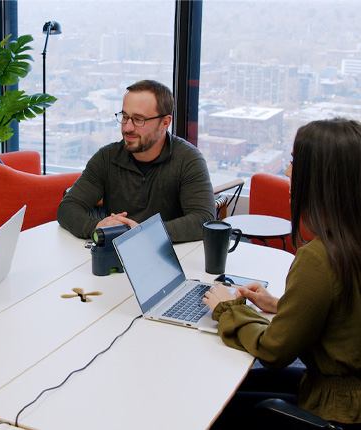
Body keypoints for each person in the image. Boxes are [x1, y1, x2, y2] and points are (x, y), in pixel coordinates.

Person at [203, 118, 361, 428]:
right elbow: (344, 313)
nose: (288, 173)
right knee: (246, 385)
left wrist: (227, 310)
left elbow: (273, 351)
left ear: (321, 179)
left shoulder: (321, 258)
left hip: (335, 410)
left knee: (216, 406)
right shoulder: (350, 242)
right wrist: (281, 306)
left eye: (294, 164)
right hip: (345, 391)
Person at [57, 80, 215, 242]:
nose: (127, 127)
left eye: (139, 119)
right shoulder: (107, 157)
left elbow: (203, 219)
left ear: (165, 122)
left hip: (172, 256)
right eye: (125, 117)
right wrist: (97, 227)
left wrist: (144, 232)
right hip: (115, 254)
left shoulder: (187, 159)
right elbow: (67, 208)